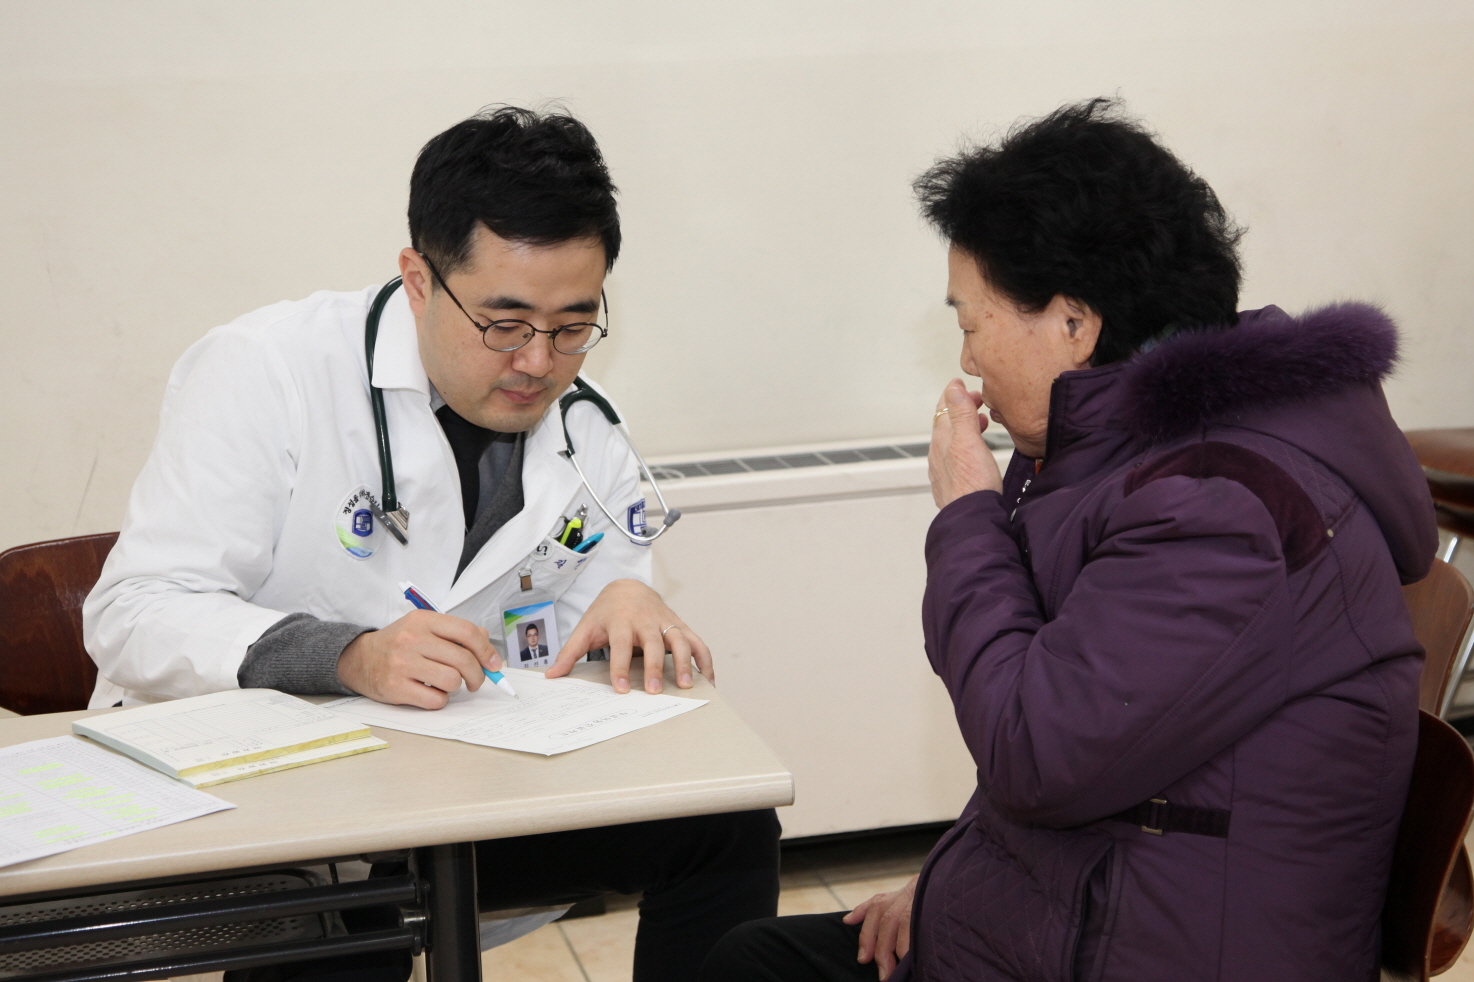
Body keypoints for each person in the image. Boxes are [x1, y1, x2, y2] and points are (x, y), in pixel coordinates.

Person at [702, 99, 1437, 982]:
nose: (967, 361)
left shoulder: (1221, 511)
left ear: (1075, 325)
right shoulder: (1143, 459)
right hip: (1090, 912)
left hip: (1154, 952)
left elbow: (1035, 755)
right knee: (754, 959)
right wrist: (943, 886)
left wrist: (967, 515)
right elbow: (1085, 731)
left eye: (971, 324)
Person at [83, 106, 779, 982]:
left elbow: (574, 645)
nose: (538, 363)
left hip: (452, 792)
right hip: (264, 796)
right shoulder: (267, 370)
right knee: (350, 922)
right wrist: (350, 657)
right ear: (418, 279)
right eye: (504, 324)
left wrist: (625, 607)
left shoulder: (588, 432)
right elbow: (134, 611)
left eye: (572, 325)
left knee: (725, 830)